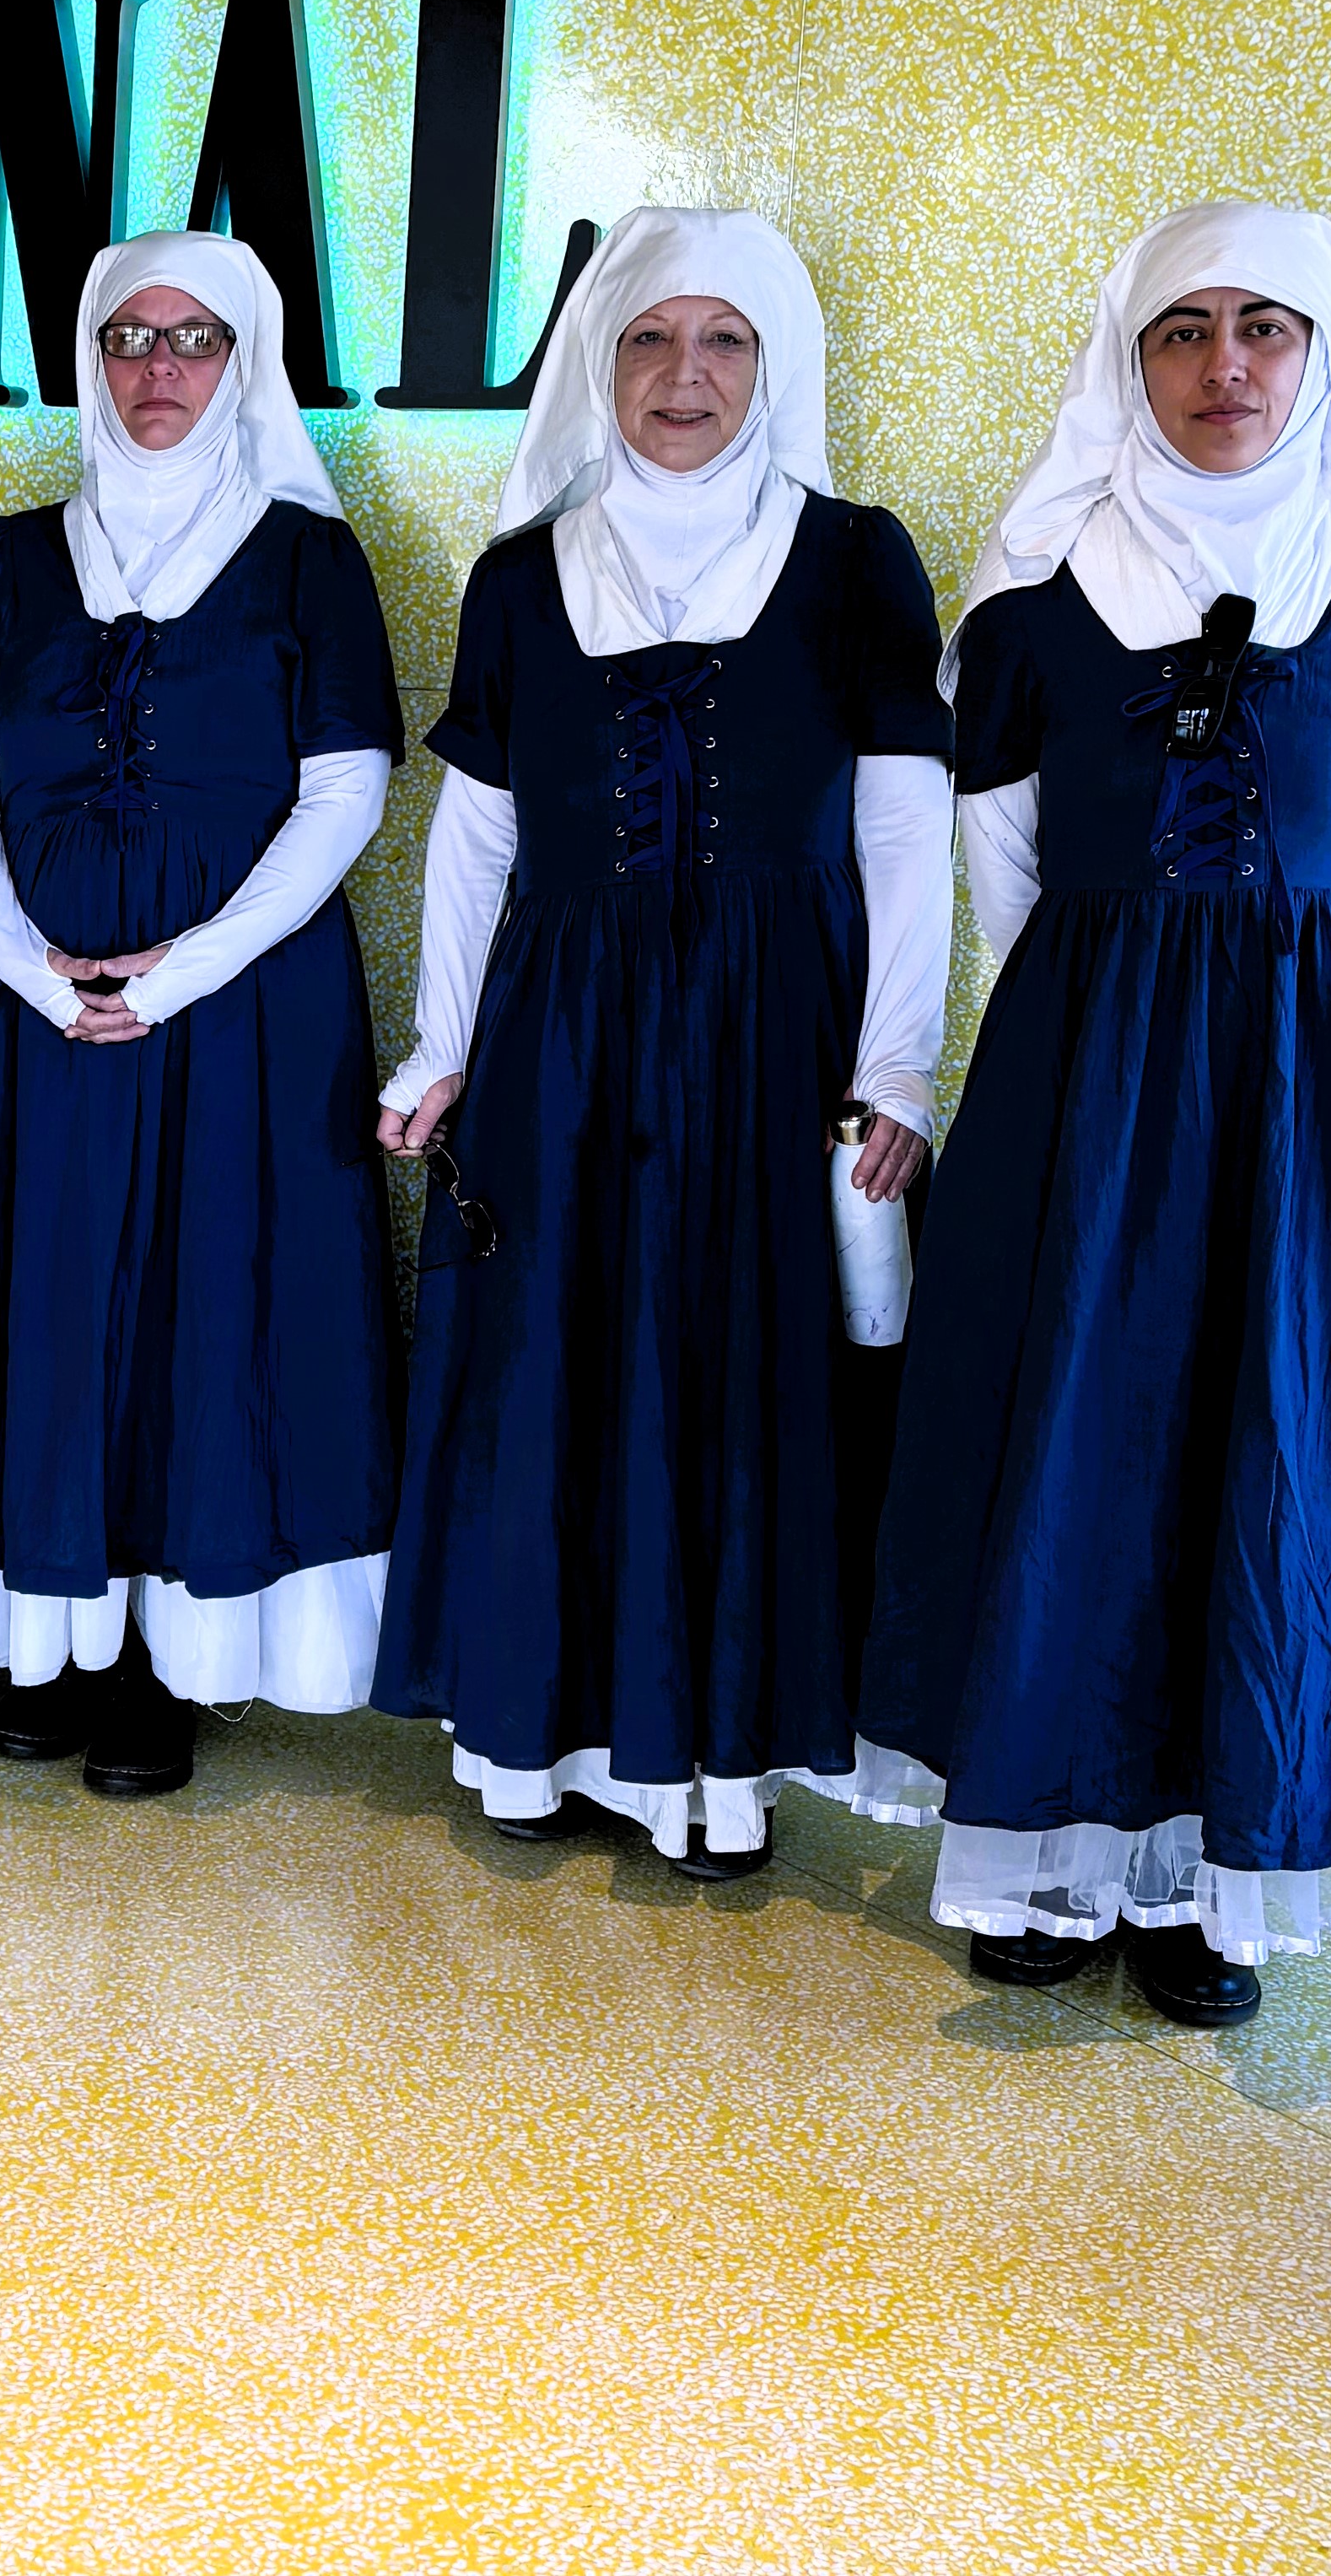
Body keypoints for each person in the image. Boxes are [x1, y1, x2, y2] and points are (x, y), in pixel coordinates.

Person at [856, 200, 1331, 2023]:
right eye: (1179, 330)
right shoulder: (1022, 602)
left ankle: (1214, 1884)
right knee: (1079, 1451)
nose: (1222, 364)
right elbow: (1000, 873)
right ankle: (1054, 1849)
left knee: (1275, 1455)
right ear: (1126, 356)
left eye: (1262, 326)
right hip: (1082, 1083)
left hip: (1320, 1092)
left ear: (1321, 350)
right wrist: (1113, 1037)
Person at [370, 209, 953, 1878]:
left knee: (730, 1366)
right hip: (561, 1028)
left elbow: (909, 833)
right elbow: (474, 838)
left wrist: (892, 1068)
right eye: (645, 340)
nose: (679, 375)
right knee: (552, 1350)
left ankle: (705, 1763)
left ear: (773, 365)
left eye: (722, 342)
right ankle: (530, 1733)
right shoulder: (515, 575)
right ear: (594, 362)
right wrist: (442, 1044)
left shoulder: (852, 561)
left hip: (772, 1021)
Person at [0, 229, 405, 1797]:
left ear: (245, 357)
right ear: (88, 353)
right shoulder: (9, 555)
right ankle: (47, 1632)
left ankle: (161, 1663)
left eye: (196, 339)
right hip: (37, 1006)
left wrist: (176, 970)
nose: (158, 369)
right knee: (47, 1297)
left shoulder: (307, 558)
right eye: (130, 336)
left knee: (206, 1306)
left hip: (240, 1008)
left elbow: (347, 793)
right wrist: (29, 968)